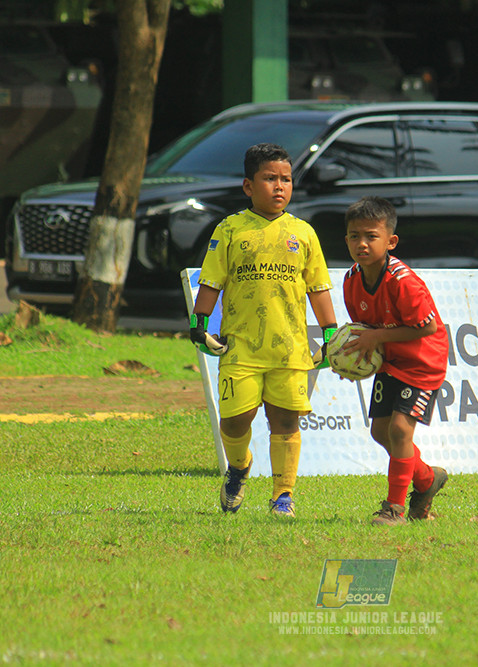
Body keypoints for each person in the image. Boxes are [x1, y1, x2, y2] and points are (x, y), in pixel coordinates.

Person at [189, 143, 337, 519]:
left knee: (285, 420)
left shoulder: (303, 233)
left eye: (285, 179)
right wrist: (199, 322)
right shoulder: (230, 230)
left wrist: (331, 332)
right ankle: (238, 468)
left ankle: (282, 495)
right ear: (247, 186)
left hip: (290, 350)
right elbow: (211, 282)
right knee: (236, 420)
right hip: (240, 348)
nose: (279, 186)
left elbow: (318, 287)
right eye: (269, 178)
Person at [340, 196, 449, 525]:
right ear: (346, 240)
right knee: (380, 432)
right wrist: (353, 360)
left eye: (371, 236)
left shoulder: (403, 282)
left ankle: (394, 509)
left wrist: (377, 338)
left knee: (401, 430)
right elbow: (367, 331)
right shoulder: (351, 281)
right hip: (391, 360)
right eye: (354, 236)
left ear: (391, 241)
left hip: (422, 361)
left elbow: (426, 327)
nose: (362, 244)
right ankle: (428, 480)